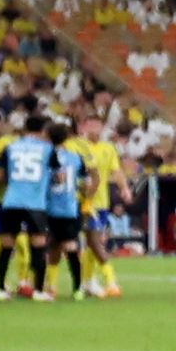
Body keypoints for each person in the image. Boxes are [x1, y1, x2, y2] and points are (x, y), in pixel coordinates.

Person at [0, 109, 56, 301]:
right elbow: (58, 175)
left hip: (12, 200)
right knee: (38, 245)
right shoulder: (47, 149)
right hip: (35, 203)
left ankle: (1, 289)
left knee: (7, 245)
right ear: (43, 130)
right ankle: (38, 291)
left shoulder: (11, 147)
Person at [75, 113, 126, 300]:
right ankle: (109, 281)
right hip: (81, 202)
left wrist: (124, 188)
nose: (94, 129)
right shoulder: (79, 146)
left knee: (93, 242)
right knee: (92, 241)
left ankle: (88, 281)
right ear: (84, 127)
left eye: (98, 125)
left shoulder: (108, 148)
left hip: (101, 202)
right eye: (91, 125)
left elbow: (116, 170)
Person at [40, 118, 89, 303]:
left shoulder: (45, 156)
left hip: (48, 208)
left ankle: (50, 287)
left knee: (51, 246)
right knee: (70, 247)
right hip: (70, 208)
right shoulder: (75, 157)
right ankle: (78, 288)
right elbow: (85, 182)